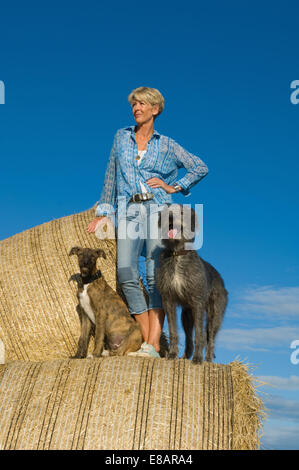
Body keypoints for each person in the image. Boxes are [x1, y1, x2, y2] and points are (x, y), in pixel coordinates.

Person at [87, 86, 208, 357]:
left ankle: (153, 344)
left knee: (155, 276)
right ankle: (144, 335)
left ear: (155, 109)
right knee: (126, 272)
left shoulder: (167, 144)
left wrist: (174, 186)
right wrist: (103, 213)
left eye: (142, 104)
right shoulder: (121, 137)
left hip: (157, 210)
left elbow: (200, 166)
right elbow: (111, 176)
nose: (136, 108)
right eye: (134, 105)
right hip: (127, 210)